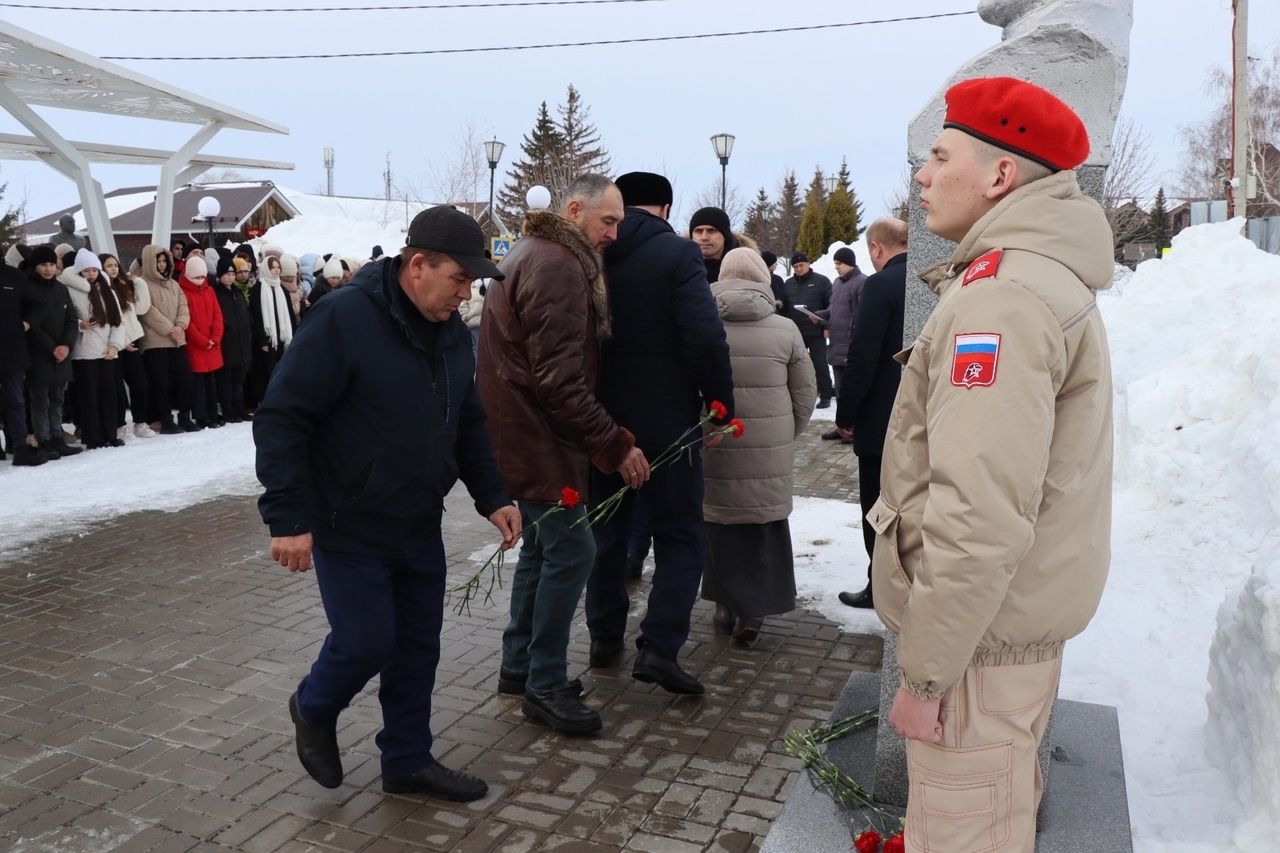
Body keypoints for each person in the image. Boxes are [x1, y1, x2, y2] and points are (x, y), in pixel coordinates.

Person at [877, 77, 1114, 852]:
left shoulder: (1001, 301)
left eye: (940, 156)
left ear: (1000, 176)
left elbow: (978, 515)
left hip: (975, 653)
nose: (921, 175)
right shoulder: (1026, 280)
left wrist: (926, 677)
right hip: (999, 635)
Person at [254, 205, 518, 802]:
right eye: (458, 278)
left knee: (418, 647)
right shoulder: (344, 318)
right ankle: (313, 704)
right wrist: (288, 518)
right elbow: (282, 417)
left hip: (418, 520)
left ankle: (406, 760)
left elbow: (468, 422)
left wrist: (492, 495)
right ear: (417, 264)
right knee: (367, 640)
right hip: (350, 520)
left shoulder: (450, 330)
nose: (466, 292)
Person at [476, 173, 644, 734]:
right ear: (574, 210)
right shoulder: (556, 265)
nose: (615, 234)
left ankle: (520, 667)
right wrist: (614, 445)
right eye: (608, 221)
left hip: (525, 432)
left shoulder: (537, 252)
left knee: (544, 552)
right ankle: (544, 684)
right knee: (573, 552)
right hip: (538, 436)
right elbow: (559, 384)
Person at [586, 171, 735, 695]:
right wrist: (720, 405)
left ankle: (604, 637)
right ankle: (660, 648)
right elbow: (704, 336)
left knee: (606, 534)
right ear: (668, 209)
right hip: (668, 424)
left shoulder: (594, 254)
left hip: (602, 423)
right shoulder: (677, 256)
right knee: (679, 536)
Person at [702, 248, 815, 642]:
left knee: (719, 526)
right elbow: (806, 395)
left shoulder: (703, 323)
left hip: (715, 444)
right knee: (763, 530)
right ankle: (754, 613)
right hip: (769, 448)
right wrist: (785, 433)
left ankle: (722, 602)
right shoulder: (785, 329)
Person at [833, 218, 907, 609]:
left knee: (876, 506)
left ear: (876, 249)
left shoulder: (880, 285)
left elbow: (863, 356)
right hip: (922, 417)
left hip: (880, 420)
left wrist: (845, 414)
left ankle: (880, 585)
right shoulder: (933, 278)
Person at [61, 249, 126, 449]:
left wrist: (114, 346)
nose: (91, 274)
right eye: (86, 270)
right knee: (89, 396)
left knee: (108, 395)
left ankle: (110, 433)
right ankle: (93, 436)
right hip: (83, 352)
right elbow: (66, 318)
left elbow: (118, 321)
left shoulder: (108, 292)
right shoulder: (70, 289)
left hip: (106, 351)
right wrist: (81, 324)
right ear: (79, 271)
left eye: (94, 270)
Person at [22, 245, 82, 459]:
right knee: (40, 399)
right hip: (39, 353)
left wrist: (66, 344)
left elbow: (71, 320)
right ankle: (43, 439)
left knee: (57, 398)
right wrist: (51, 347)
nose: (48, 269)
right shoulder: (27, 288)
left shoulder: (60, 289)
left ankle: (57, 436)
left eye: (51, 265)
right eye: (43, 265)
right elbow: (30, 325)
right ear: (35, 266)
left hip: (62, 353)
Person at [138, 245, 196, 434]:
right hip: (156, 341)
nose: (162, 265)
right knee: (160, 381)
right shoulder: (142, 284)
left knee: (185, 377)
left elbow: (183, 306)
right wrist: (169, 328)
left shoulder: (173, 284)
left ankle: (185, 416)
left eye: (164, 261)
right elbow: (147, 311)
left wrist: (180, 326)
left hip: (177, 339)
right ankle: (165, 419)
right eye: (158, 261)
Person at [99, 252, 156, 439]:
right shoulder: (102, 290)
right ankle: (120, 424)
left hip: (132, 341)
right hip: (114, 344)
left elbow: (140, 309)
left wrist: (138, 282)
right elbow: (113, 320)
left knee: (141, 384)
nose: (114, 269)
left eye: (115, 265)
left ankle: (140, 421)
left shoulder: (124, 286)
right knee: (117, 388)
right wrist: (122, 341)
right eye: (109, 265)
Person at [0, 254, 45, 465]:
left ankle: (20, 448)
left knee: (16, 400)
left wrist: (27, 323)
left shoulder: (13, 276)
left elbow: (36, 305)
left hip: (12, 350)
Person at [782, 252, 834, 407]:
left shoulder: (821, 281)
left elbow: (830, 305)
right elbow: (784, 307)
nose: (798, 269)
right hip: (795, 332)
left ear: (808, 263)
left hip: (815, 331)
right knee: (794, 364)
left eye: (801, 265)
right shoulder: (788, 284)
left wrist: (826, 326)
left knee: (820, 363)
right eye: (795, 266)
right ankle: (797, 393)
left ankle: (825, 395)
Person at [178, 255, 223, 429]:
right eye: (197, 277)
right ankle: (201, 415)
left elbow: (218, 316)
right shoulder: (183, 292)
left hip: (211, 344)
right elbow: (187, 322)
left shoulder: (209, 290)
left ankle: (213, 413)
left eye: (203, 277)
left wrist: (216, 337)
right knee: (199, 384)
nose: (201, 280)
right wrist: (203, 341)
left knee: (211, 382)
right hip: (197, 345)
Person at [819, 246, 867, 406]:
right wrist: (820, 316)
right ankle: (841, 425)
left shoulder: (862, 282)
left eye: (839, 263)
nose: (836, 267)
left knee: (851, 391)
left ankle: (852, 427)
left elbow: (862, 316)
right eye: (835, 263)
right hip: (836, 345)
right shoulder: (837, 283)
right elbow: (833, 309)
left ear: (849, 263)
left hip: (851, 347)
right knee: (840, 390)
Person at [249, 254, 294, 404]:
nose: (276, 270)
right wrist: (261, 340)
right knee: (266, 371)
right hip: (267, 340)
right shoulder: (258, 289)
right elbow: (256, 317)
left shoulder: (282, 290)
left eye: (278, 267)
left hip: (281, 339)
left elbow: (290, 316)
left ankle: (281, 399)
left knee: (281, 370)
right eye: (272, 267)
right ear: (266, 269)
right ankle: (266, 401)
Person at [214, 256, 253, 423]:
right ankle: (228, 409)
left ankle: (239, 408)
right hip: (227, 343)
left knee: (239, 379)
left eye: (232, 273)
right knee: (226, 380)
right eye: (227, 274)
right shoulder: (217, 293)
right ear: (220, 275)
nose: (230, 277)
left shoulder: (237, 293)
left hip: (241, 342)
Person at [688, 207, 737, 282]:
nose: (704, 237)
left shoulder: (744, 270)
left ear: (725, 235)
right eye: (699, 231)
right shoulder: (678, 269)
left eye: (711, 231)